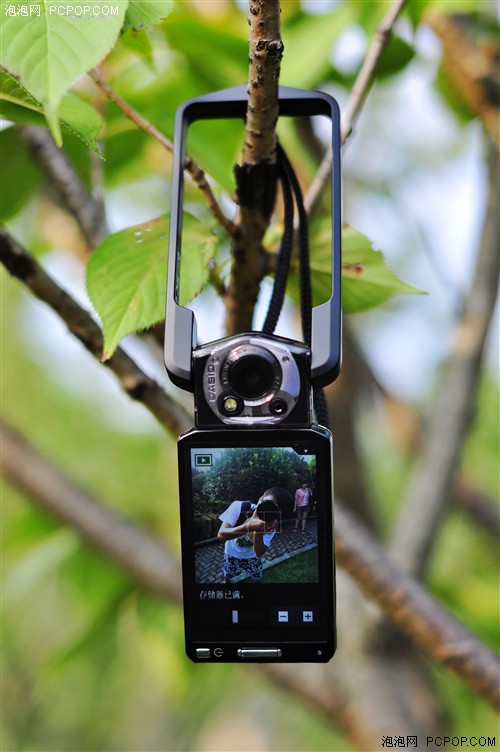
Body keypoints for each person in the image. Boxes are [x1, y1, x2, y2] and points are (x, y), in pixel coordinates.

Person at [217, 487, 291, 583]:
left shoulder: (271, 525)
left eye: (274, 511)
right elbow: (221, 536)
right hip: (231, 553)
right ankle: (226, 581)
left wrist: (258, 531)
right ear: (261, 498)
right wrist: (248, 527)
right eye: (267, 504)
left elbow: (259, 553)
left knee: (257, 577)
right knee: (227, 574)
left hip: (252, 557)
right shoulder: (239, 507)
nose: (267, 510)